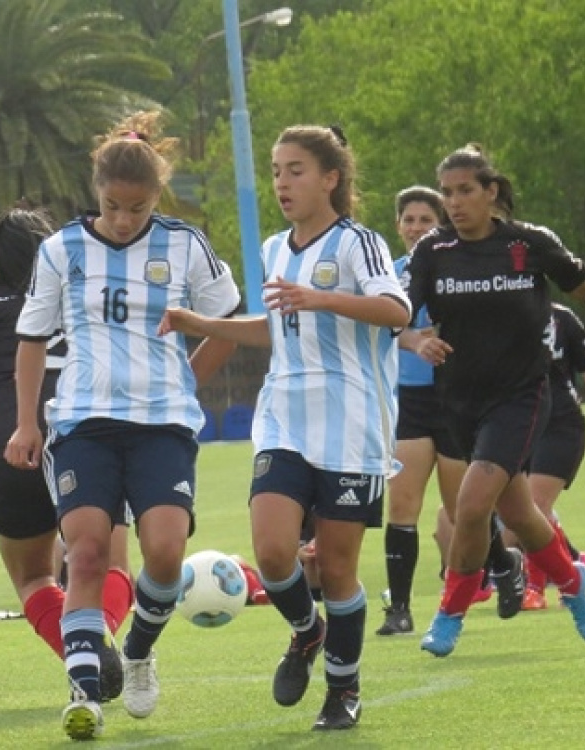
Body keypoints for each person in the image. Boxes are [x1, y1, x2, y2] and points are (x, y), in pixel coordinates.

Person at [161, 124, 411, 731]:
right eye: (276, 171)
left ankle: (343, 691)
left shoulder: (358, 243)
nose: (282, 182)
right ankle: (306, 631)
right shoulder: (275, 248)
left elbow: (397, 311)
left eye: (295, 170)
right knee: (274, 554)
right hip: (284, 418)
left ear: (330, 178)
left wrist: (321, 298)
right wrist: (200, 322)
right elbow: (274, 327)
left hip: (352, 422)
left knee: (338, 568)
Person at [4, 111, 241, 741]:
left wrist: (185, 379)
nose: (124, 219)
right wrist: (26, 423)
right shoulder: (61, 250)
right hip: (84, 423)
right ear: (97, 191)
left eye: (137, 208)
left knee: (164, 554)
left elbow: (226, 322)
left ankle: (136, 651)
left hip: (163, 425)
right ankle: (83, 694)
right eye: (113, 206)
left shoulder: (185, 245)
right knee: (85, 553)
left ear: (157, 197)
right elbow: (31, 340)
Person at [405, 144, 585, 657]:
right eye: (447, 193)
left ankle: (449, 613)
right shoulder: (432, 252)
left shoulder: (528, 243)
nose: (454, 202)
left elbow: (579, 285)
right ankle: (573, 583)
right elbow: (399, 315)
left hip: (521, 396)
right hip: (459, 401)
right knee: (521, 515)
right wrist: (414, 341)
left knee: (471, 506)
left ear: (491, 192)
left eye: (465, 190)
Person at [0, 208, 133, 701]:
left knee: (33, 577)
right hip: (89, 435)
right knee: (113, 568)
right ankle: (99, 640)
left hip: (13, 446)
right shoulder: (82, 298)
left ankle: (85, 653)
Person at [378, 186, 470, 636]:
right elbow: (379, 328)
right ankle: (399, 609)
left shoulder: (461, 270)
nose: (416, 228)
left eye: (425, 220)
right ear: (398, 226)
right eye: (409, 220)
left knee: (461, 509)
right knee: (403, 504)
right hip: (409, 400)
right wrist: (412, 339)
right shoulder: (388, 275)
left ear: (442, 225)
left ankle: (502, 565)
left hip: (456, 398)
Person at [514, 302, 585, 609]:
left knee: (535, 505)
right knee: (527, 510)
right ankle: (574, 566)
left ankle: (536, 588)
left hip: (562, 424)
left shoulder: (562, 319)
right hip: (523, 424)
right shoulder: (506, 315)